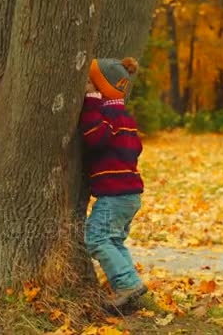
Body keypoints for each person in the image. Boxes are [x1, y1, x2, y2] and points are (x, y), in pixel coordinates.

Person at [80, 57, 147, 307]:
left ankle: (128, 283)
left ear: (99, 87)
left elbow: (94, 138)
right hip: (129, 195)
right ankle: (129, 287)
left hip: (115, 196)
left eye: (90, 81)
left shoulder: (106, 114)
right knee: (114, 240)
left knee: (96, 239)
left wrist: (90, 102)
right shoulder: (124, 116)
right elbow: (135, 147)